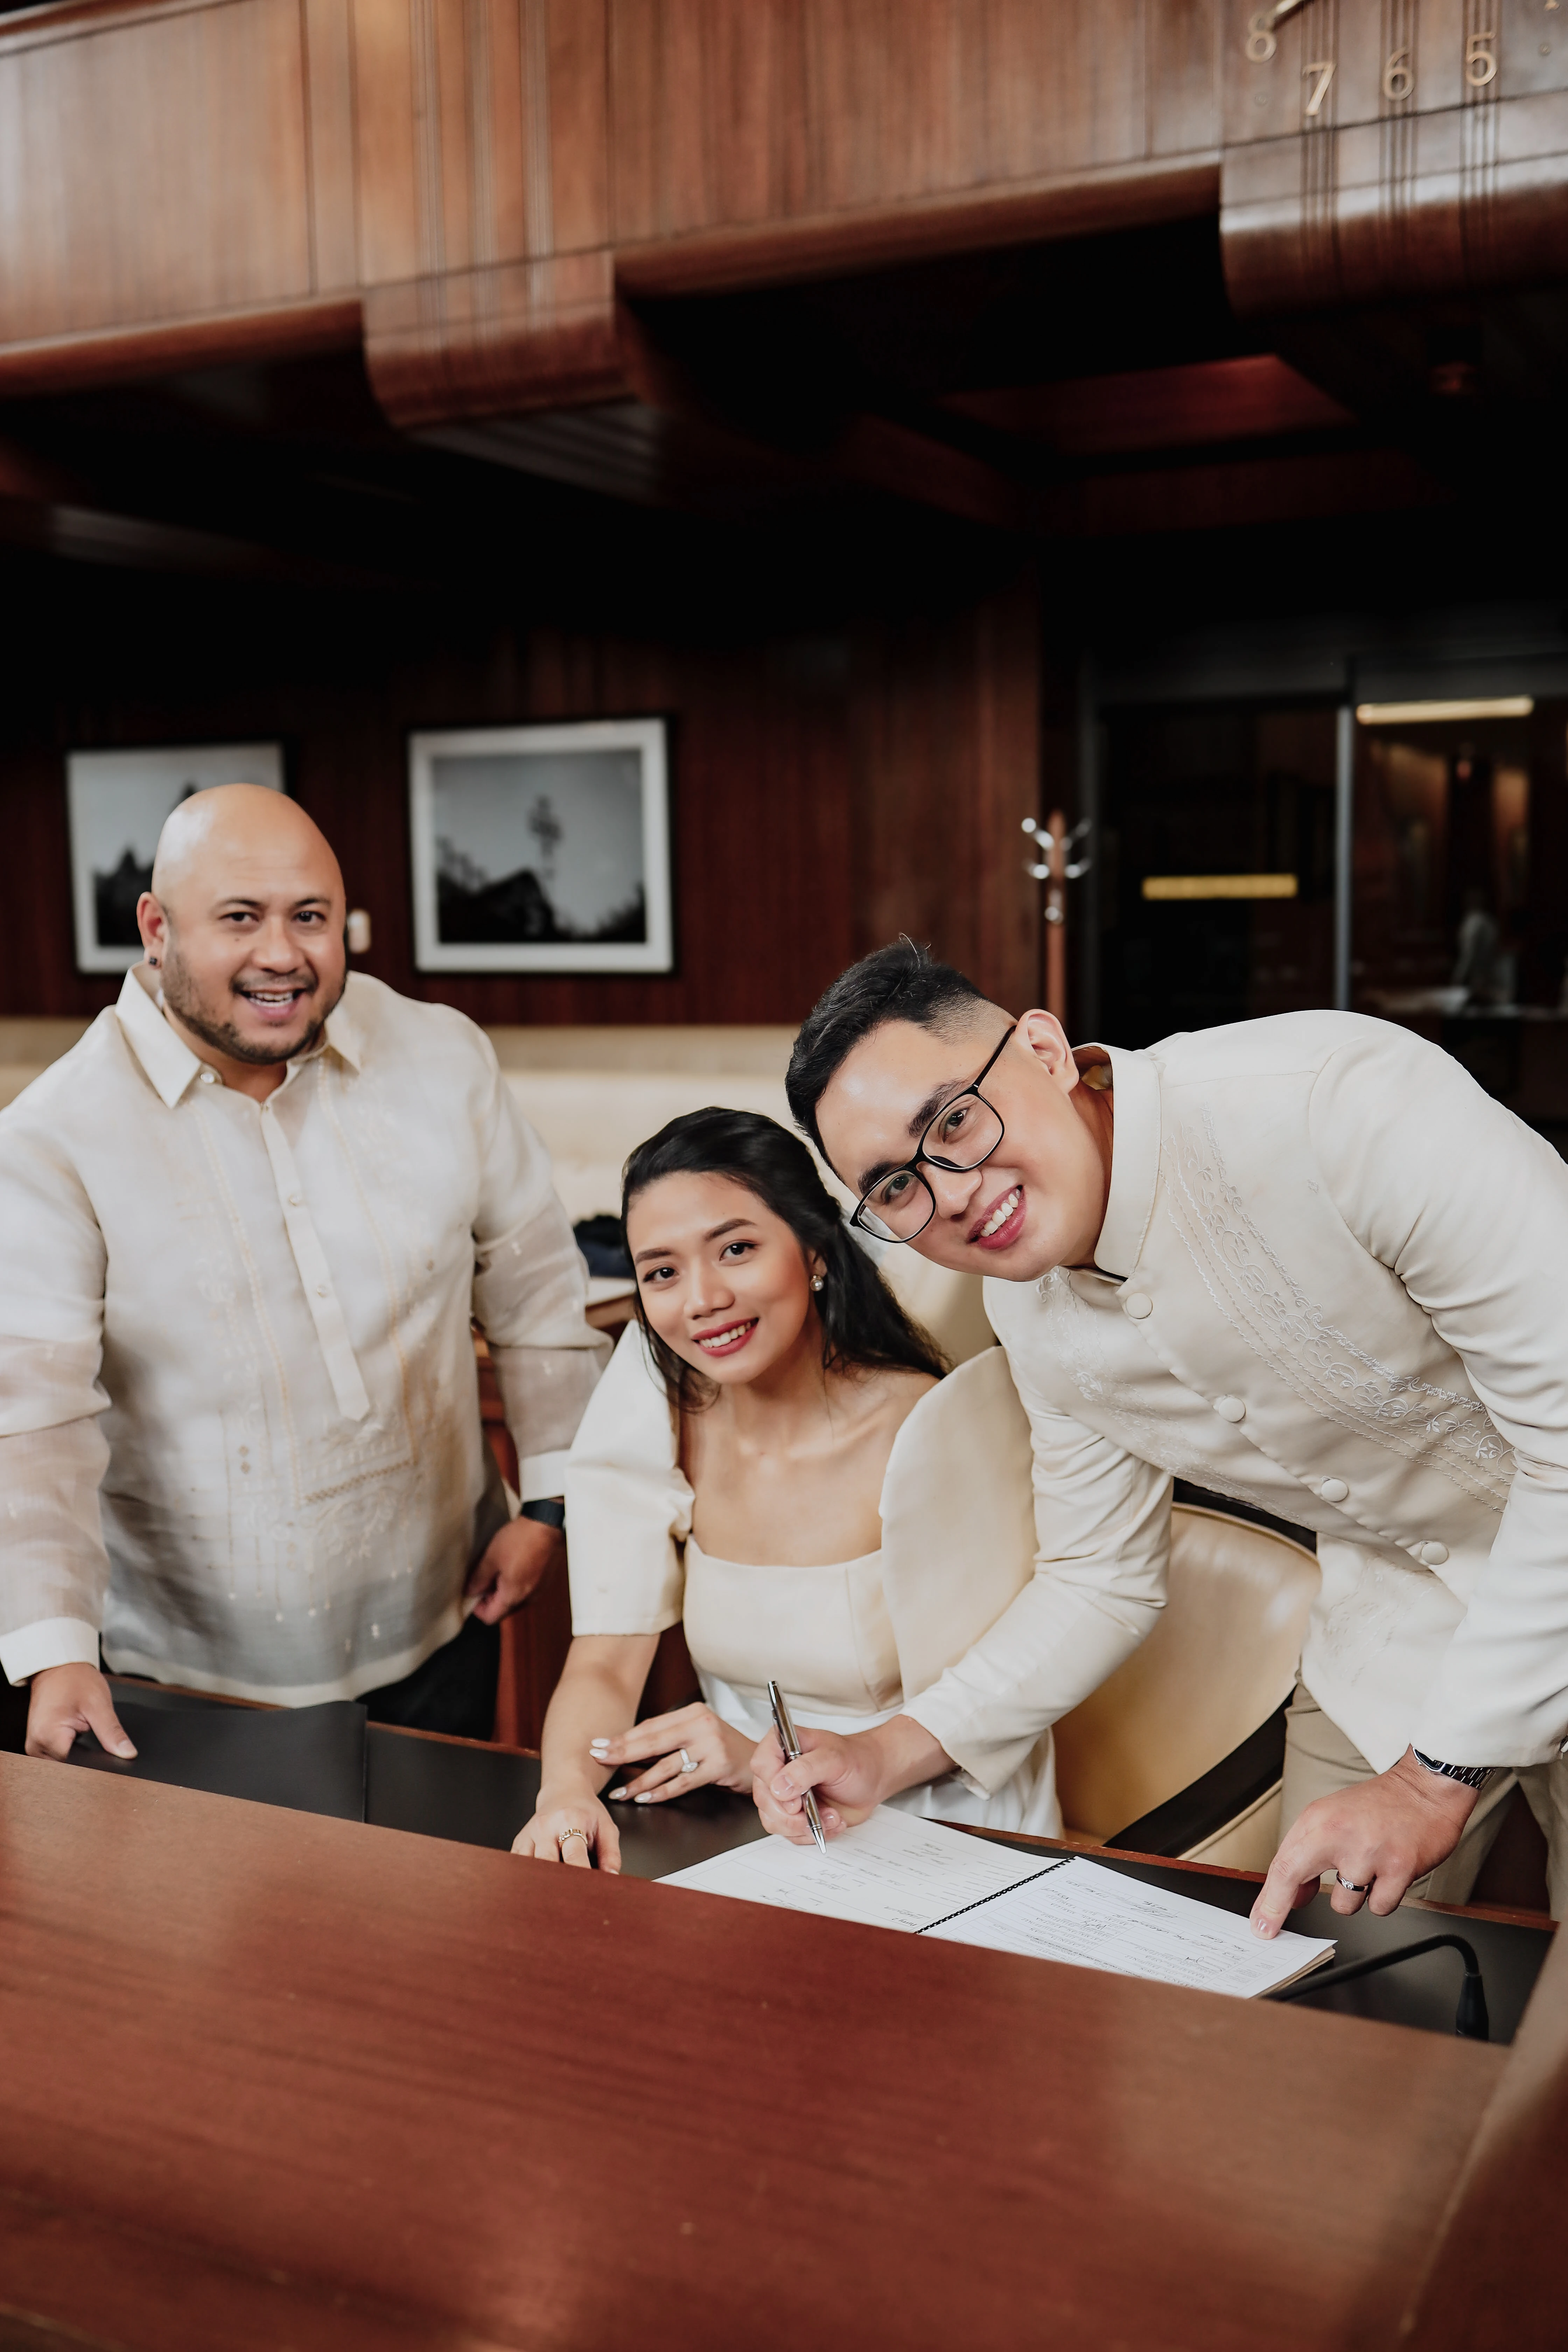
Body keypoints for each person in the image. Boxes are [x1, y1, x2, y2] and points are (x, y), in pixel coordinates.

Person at [771, 938, 1568, 1934]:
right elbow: (1099, 1577)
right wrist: (886, 1750)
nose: (954, 1191)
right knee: (1318, 2014)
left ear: (1046, 1051)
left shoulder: (1334, 1099)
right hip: (1392, 1641)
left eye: (955, 1122)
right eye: (895, 1187)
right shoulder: (1028, 1311)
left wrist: (1430, 1782)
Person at [0, 784, 606, 1754]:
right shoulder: (51, 1139)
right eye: (240, 918)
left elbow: (537, 1284)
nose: (283, 954)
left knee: (437, 1901)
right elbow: (34, 1421)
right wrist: (57, 1647)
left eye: (311, 918)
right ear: (156, 928)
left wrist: (550, 1501)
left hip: (447, 1627)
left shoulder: (443, 1055)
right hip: (189, 1678)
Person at [511, 1108, 1062, 1871]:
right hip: (750, 1836)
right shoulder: (656, 1400)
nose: (700, 1299)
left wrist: (757, 1759)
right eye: (661, 1272)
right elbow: (606, 1657)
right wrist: (566, 1792)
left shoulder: (927, 1428)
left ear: (813, 1252)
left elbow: (995, 1700)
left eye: (735, 1249)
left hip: (943, 1832)